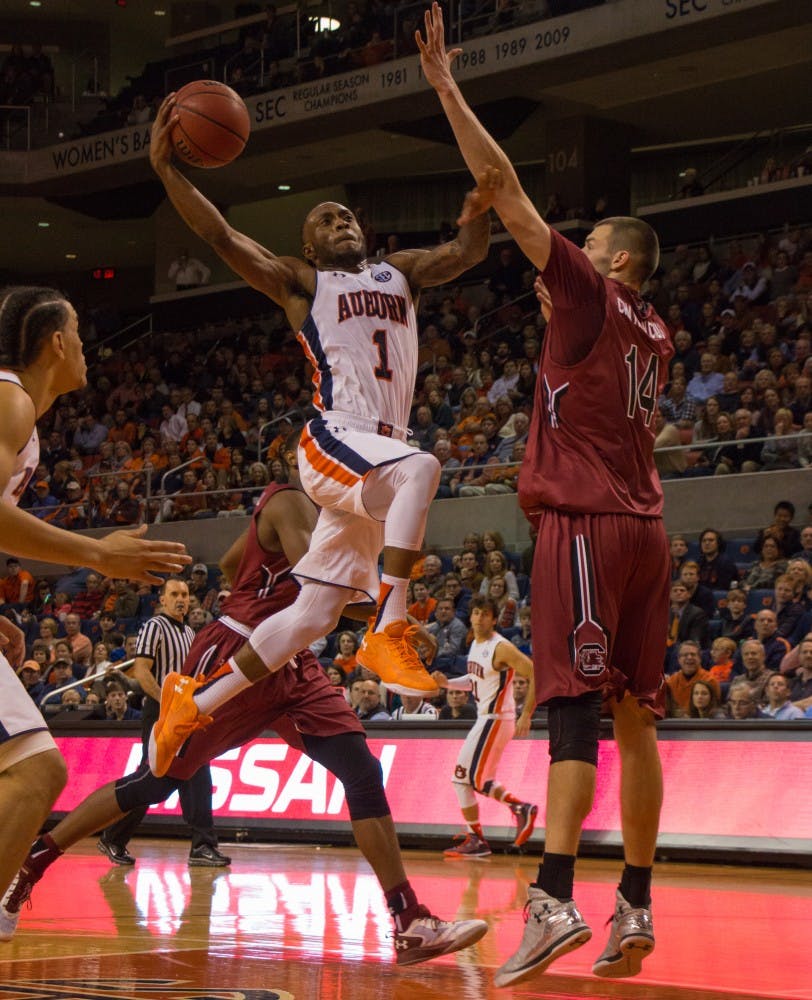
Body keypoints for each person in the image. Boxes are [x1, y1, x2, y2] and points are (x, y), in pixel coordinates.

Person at [1, 444, 487, 965]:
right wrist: (380, 614)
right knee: (156, 780)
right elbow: (313, 588)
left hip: (289, 658)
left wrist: (276, 589)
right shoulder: (289, 503)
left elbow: (237, 562)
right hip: (238, 649)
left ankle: (407, 918)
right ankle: (33, 863)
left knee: (361, 769)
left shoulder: (324, 516)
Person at [418, 7, 673, 983]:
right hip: (648, 529)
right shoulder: (651, 330)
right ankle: (635, 908)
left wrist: (444, 84)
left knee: (570, 712)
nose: (568, 252)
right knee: (635, 722)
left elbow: (501, 187)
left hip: (584, 526)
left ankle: (553, 897)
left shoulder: (589, 291)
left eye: (588, 241)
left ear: (608, 264)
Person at [146, 91, 491, 775]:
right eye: (325, 220)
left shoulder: (404, 272)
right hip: (337, 437)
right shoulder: (301, 283)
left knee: (314, 616)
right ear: (309, 245)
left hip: (376, 453)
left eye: (346, 215)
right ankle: (391, 624)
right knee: (423, 468)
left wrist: (479, 217)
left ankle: (192, 702)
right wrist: (169, 173)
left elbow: (466, 253)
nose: (340, 222)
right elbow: (221, 238)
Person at [0, 286, 189, 941]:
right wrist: (97, 555)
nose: (84, 346)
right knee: (37, 770)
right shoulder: (12, 400)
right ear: (56, 342)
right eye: (77, 332)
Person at [96, 578, 229, 869]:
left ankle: (201, 844)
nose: (181, 599)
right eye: (175, 594)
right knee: (153, 777)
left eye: (184, 594)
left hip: (183, 711)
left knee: (194, 770)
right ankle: (115, 835)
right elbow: (142, 671)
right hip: (160, 709)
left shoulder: (190, 632)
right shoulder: (154, 626)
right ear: (163, 599)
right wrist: (165, 701)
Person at [431, 595, 537, 858]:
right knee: (462, 779)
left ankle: (518, 809)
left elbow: (534, 671)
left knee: (472, 779)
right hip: (486, 719)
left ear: (493, 618)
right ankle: (477, 837)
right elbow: (474, 679)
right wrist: (448, 684)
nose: (479, 618)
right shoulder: (476, 645)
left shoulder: (500, 647)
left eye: (485, 614)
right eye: (476, 613)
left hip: (497, 718)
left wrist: (527, 714)